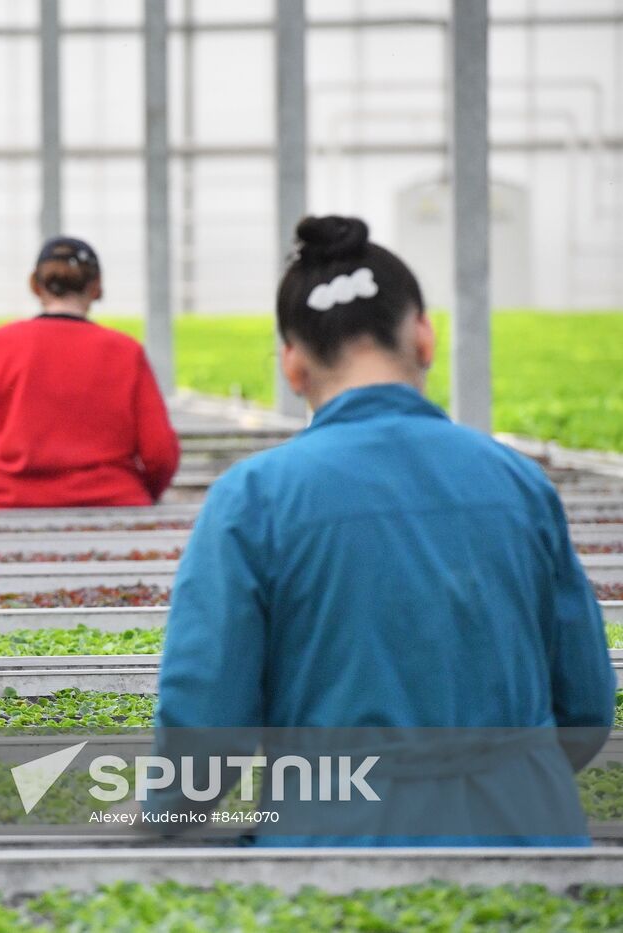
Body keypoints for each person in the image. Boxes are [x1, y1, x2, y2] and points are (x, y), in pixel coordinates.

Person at [150, 215, 615, 844]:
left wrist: (156, 822)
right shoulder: (518, 483)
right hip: (532, 836)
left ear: (292, 365)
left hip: (335, 846)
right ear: (423, 338)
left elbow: (206, 729)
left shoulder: (254, 499)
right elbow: (584, 708)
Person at [0, 236, 180, 509]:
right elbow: (159, 453)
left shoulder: (0, 345)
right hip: (113, 504)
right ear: (96, 287)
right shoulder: (126, 351)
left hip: (10, 503)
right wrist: (141, 494)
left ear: (35, 286)